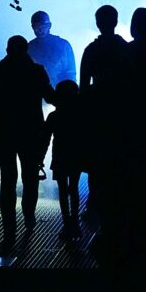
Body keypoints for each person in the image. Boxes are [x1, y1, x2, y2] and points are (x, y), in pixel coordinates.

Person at [0, 35, 56, 246]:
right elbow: (50, 96)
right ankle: (29, 217)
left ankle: (9, 231)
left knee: (8, 178)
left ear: (8, 50)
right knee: (30, 176)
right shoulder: (36, 71)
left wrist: (3, 112)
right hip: (31, 130)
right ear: (25, 50)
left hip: (4, 130)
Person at [78, 5, 130, 232]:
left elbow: (83, 86)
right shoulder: (125, 49)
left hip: (98, 113)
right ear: (116, 21)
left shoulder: (91, 50)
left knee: (97, 163)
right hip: (121, 112)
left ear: (98, 23)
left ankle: (94, 205)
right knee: (120, 161)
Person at [42, 79, 84, 241]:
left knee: (62, 190)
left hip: (60, 156)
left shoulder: (54, 116)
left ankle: (67, 223)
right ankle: (75, 222)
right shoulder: (80, 114)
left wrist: (40, 158)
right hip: (76, 155)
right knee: (74, 188)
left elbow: (45, 139)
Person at [28, 10, 77, 87]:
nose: (40, 30)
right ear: (33, 27)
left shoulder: (63, 45)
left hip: (60, 91)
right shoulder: (29, 48)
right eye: (37, 26)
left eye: (43, 26)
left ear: (49, 26)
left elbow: (70, 73)